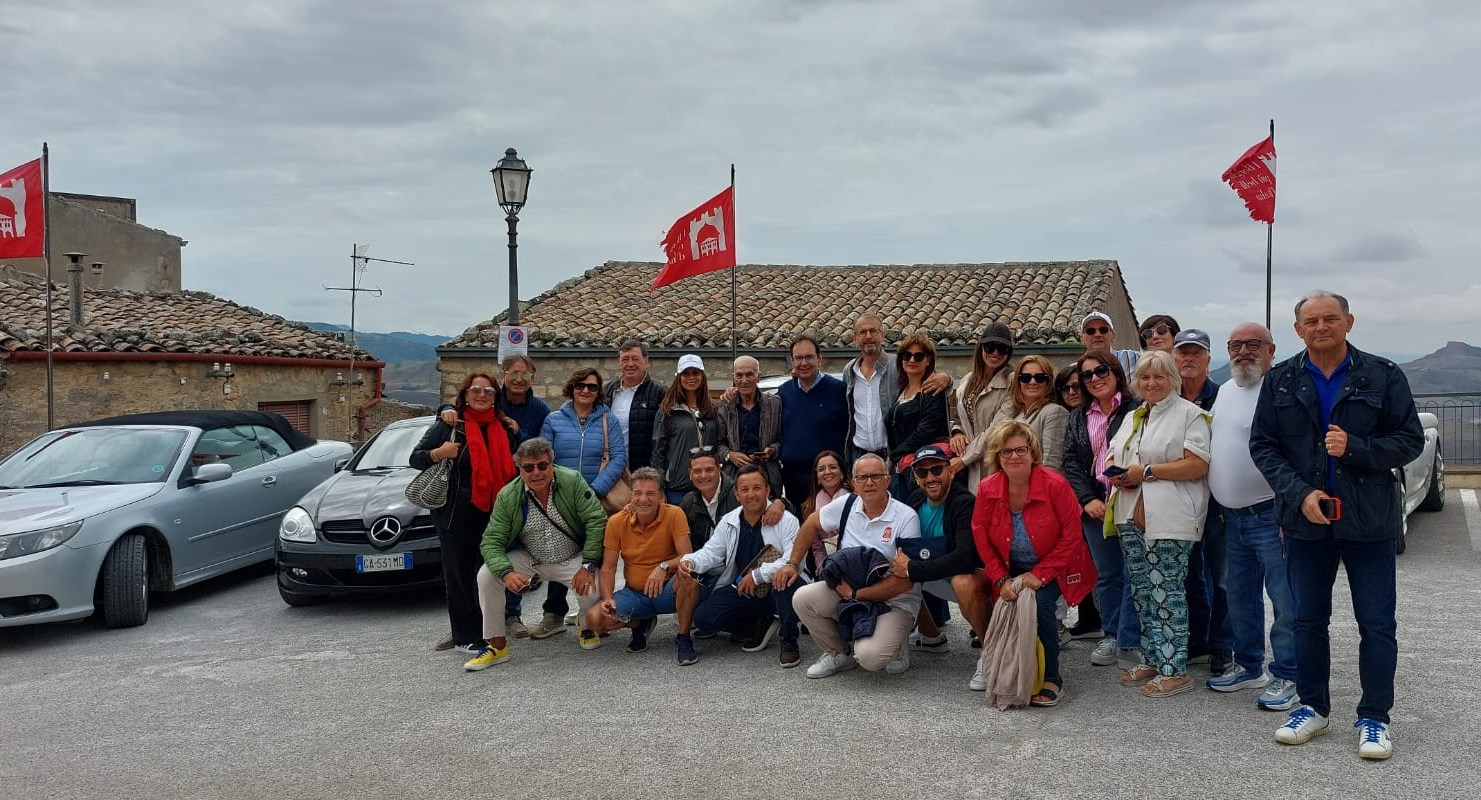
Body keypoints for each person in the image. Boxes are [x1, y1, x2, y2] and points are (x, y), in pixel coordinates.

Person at [1250, 291, 1423, 760]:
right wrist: (1300, 493)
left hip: (1369, 521)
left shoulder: (1382, 375)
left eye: (1330, 318)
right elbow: (1263, 447)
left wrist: (1356, 448)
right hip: (1307, 522)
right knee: (1307, 621)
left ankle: (1374, 718)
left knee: (1377, 624)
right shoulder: (1281, 380)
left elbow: (1409, 440)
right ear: (1298, 329)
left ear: (1349, 322)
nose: (1321, 326)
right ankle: (1312, 708)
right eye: (1312, 320)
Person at [1104, 350, 1212, 698]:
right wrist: (1117, 472)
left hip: (1170, 518)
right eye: (1146, 377)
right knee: (1142, 591)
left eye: (1160, 376)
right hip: (1129, 514)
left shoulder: (1190, 415)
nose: (1152, 383)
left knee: (1167, 591)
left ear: (1173, 379)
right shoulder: (1135, 415)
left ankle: (1175, 669)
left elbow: (1197, 465)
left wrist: (1146, 473)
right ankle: (1153, 657)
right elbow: (1116, 453)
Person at [1205, 323, 1299, 712]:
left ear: (1271, 349)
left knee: (1284, 599)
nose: (1243, 352)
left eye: (1253, 345)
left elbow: (1295, 452)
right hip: (1233, 518)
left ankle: (1290, 674)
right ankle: (1248, 666)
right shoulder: (1225, 390)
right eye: (1236, 345)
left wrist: (1289, 507)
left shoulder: (1282, 390)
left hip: (1270, 514)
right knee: (1239, 595)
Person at [971, 421, 1097, 706]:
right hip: (1008, 566)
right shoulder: (988, 488)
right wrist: (1000, 579)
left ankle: (1052, 677)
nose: (1014, 457)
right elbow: (981, 536)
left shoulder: (1055, 484)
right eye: (1006, 452)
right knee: (988, 596)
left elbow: (1072, 536)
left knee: (1040, 606)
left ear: (1033, 452)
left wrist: (1040, 575)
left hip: (1053, 567)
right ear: (997, 456)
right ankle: (1003, 667)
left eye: (1021, 450)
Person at [462, 438, 608, 670]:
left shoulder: (572, 481)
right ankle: (497, 645)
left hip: (571, 556)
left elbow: (596, 520)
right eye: (528, 467)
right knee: (487, 576)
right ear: (519, 469)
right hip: (531, 558)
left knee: (594, 587)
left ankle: (585, 623)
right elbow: (491, 541)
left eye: (542, 465)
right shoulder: (508, 495)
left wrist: (588, 564)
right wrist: (507, 572)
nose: (536, 472)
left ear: (552, 464)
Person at [436, 358, 558, 635]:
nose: (518, 378)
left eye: (524, 374)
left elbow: (538, 448)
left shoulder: (538, 409)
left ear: (532, 377)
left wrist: (519, 431)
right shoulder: (490, 398)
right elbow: (458, 411)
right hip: (471, 499)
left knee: (510, 553)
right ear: (504, 375)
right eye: (513, 373)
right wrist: (444, 408)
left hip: (514, 492)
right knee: (466, 567)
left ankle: (511, 615)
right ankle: (469, 626)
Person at [774, 454, 922, 678]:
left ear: (887, 480)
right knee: (802, 598)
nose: (869, 482)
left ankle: (897, 644)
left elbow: (905, 582)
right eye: (862, 477)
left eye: (875, 476)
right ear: (853, 483)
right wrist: (792, 564)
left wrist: (856, 594)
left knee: (870, 659)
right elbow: (811, 523)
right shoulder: (847, 504)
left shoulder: (906, 517)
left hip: (894, 601)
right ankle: (838, 653)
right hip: (848, 592)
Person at [410, 373, 518, 654]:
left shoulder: (504, 428)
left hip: (495, 513)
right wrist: (439, 453)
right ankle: (465, 637)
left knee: (486, 574)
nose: (482, 395)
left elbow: (519, 464)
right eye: (475, 390)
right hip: (456, 513)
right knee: (458, 575)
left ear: (496, 396)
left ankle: (490, 631)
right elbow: (415, 458)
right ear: (465, 395)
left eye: (488, 391)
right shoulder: (450, 425)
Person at [1062, 349, 1140, 670]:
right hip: (1095, 508)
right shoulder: (1079, 416)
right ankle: (1112, 635)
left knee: (1134, 572)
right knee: (1108, 575)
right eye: (1087, 374)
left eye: (1101, 371)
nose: (1095, 378)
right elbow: (1071, 461)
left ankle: (1130, 639)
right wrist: (1085, 499)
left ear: (1116, 372)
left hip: (1130, 501)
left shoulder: (1137, 408)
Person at [680, 465, 804, 667]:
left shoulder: (786, 520)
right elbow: (712, 551)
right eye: (745, 490)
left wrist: (758, 575)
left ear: (767, 490)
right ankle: (757, 624)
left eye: (757, 488)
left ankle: (789, 640)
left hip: (777, 587)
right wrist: (691, 561)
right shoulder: (729, 521)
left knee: (785, 579)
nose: (751, 494)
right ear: (736, 494)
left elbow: (793, 560)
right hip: (745, 588)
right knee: (703, 619)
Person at [588, 467, 707, 665]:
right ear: (631, 495)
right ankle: (640, 623)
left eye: (650, 493)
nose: (643, 499)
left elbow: (687, 556)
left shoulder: (674, 514)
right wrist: (608, 598)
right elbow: (608, 567)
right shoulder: (616, 522)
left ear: (661, 496)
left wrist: (663, 567)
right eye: (638, 493)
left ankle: (683, 638)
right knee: (595, 619)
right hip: (635, 593)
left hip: (669, 590)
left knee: (689, 575)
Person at [1172, 328, 1232, 674]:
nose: (1189, 359)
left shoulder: (1224, 397)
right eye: (1183, 353)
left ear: (1209, 359)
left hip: (1219, 501)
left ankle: (1223, 644)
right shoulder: (1166, 399)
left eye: (1196, 353)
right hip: (1180, 502)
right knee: (1189, 574)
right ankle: (1197, 639)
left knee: (1221, 576)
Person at [888, 445, 980, 666]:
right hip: (934, 574)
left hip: (967, 579)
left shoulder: (964, 502)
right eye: (922, 472)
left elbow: (965, 558)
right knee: (893, 567)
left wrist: (914, 569)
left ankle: (991, 652)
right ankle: (930, 637)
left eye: (937, 470)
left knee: (963, 582)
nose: (930, 477)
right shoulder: (915, 500)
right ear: (916, 478)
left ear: (950, 471)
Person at [843, 313, 951, 469]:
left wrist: (947, 378)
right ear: (854, 338)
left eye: (873, 331)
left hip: (893, 454)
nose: (868, 336)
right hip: (859, 454)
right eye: (862, 332)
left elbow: (930, 379)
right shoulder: (849, 371)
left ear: (882, 335)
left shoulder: (899, 365)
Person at [778, 334, 848, 505]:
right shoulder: (784, 392)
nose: (804, 363)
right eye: (798, 358)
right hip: (793, 481)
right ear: (792, 361)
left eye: (809, 357)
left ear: (819, 359)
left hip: (828, 479)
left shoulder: (839, 391)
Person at [948, 322, 1015, 492]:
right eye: (990, 346)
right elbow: (956, 414)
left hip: (994, 462)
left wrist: (965, 459)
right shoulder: (967, 380)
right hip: (969, 467)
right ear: (981, 347)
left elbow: (998, 429)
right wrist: (957, 432)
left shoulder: (1011, 382)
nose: (995, 353)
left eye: (1002, 349)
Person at [885, 333, 949, 500]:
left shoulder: (932, 391)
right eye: (907, 355)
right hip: (903, 470)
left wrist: (893, 457)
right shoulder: (902, 391)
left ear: (928, 360)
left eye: (919, 356)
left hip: (923, 471)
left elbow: (925, 432)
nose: (912, 360)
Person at [652, 354, 719, 505]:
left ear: (703, 376)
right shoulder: (667, 410)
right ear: (678, 377)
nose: (691, 377)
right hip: (678, 488)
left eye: (695, 373)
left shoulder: (714, 409)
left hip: (710, 486)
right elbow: (658, 452)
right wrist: (659, 487)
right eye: (686, 374)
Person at [715, 355, 783, 496]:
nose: (744, 380)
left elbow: (783, 439)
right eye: (739, 375)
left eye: (749, 375)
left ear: (758, 377)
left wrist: (771, 451)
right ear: (734, 378)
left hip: (768, 475)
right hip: (734, 477)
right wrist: (730, 455)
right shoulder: (724, 407)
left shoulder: (775, 404)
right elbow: (718, 443)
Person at [602, 340, 666, 470]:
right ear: (619, 362)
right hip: (610, 471)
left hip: (645, 472)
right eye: (625, 359)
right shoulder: (606, 391)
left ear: (646, 361)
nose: (630, 364)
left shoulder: (660, 392)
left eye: (635, 359)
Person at [1000, 355, 1069, 473]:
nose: (1033, 382)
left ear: (1048, 381)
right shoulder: (1017, 416)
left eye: (1040, 377)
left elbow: (1052, 464)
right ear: (1018, 381)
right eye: (1026, 378)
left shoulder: (1055, 412)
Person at [800, 450, 849, 576]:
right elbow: (817, 547)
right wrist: (823, 570)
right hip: (829, 566)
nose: (827, 472)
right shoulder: (809, 507)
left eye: (832, 467)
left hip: (854, 560)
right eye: (821, 469)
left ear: (842, 473)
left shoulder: (855, 499)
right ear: (817, 477)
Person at [1080, 311, 1140, 376]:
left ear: (1113, 335)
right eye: (1090, 331)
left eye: (1103, 330)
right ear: (1082, 338)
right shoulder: (1077, 370)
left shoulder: (1133, 358)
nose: (1097, 334)